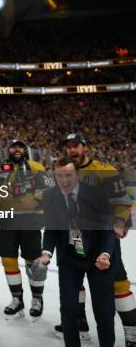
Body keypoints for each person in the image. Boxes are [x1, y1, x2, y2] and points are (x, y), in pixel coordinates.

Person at [55, 133, 135, 346]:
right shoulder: (65, 172)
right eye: (69, 146)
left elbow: (123, 202)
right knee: (75, 282)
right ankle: (79, 325)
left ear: (84, 147)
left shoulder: (104, 170)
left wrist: (120, 222)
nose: (72, 150)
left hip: (101, 237)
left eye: (76, 146)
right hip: (74, 236)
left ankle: (131, 331)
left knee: (118, 283)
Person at [36, 156, 116, 347]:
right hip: (70, 258)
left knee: (103, 311)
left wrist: (105, 254)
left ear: (77, 175)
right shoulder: (50, 196)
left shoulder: (96, 194)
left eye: (69, 175)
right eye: (59, 176)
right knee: (68, 310)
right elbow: (51, 229)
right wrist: (46, 252)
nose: (64, 180)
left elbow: (107, 229)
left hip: (97, 257)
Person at [0, 139, 52, 320]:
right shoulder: (0, 168)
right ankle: (17, 300)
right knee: (8, 261)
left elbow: (49, 189)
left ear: (25, 150)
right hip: (7, 219)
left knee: (33, 261)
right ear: (8, 150)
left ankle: (37, 299)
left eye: (20, 146)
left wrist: (37, 200)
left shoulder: (36, 167)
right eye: (13, 146)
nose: (17, 149)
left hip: (29, 220)